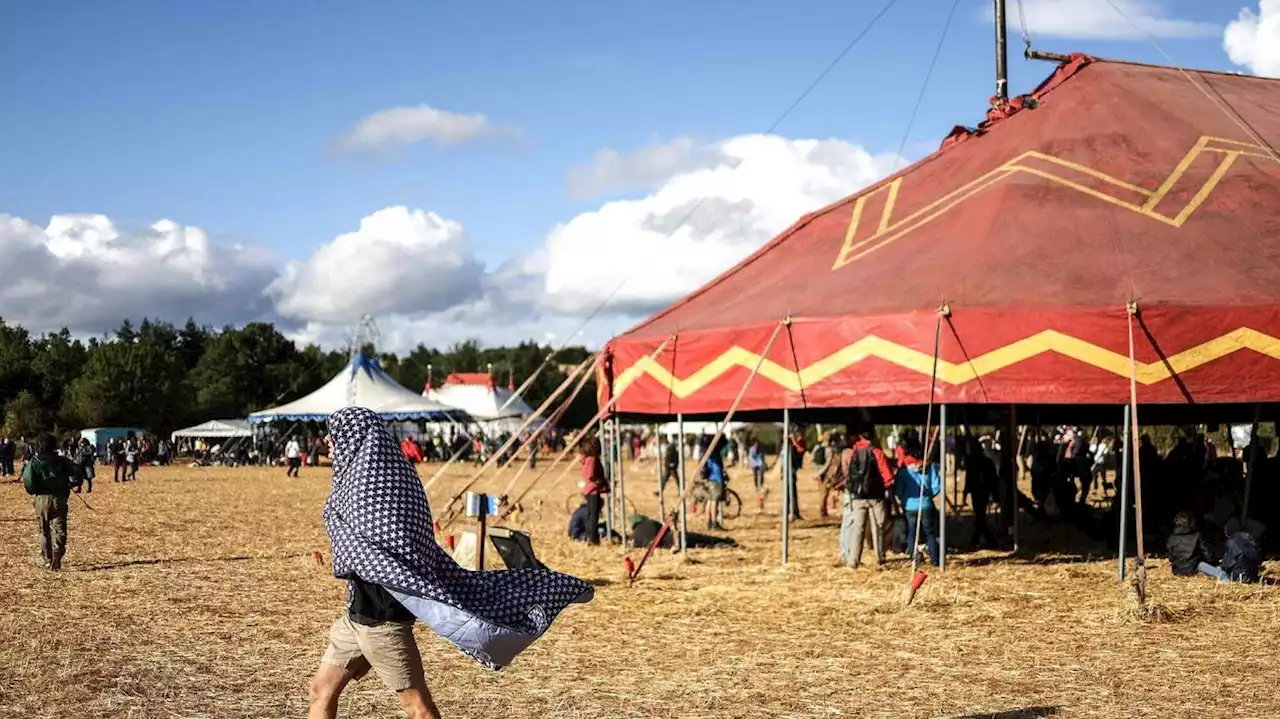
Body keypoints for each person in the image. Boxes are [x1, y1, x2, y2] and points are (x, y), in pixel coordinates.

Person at [310, 406, 592, 719]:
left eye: (334, 435)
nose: (328, 441)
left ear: (354, 437)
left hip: (382, 618)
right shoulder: (370, 474)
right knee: (320, 690)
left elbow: (392, 544)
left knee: (419, 709)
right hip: (358, 614)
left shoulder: (377, 482)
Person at [22, 433, 82, 571]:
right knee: (60, 528)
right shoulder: (61, 460)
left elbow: (29, 482)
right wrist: (74, 483)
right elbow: (77, 470)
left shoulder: (35, 461)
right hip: (59, 498)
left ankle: (48, 559)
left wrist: (35, 492)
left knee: (43, 530)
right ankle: (57, 555)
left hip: (41, 499)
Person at [839, 424, 894, 568]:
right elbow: (887, 475)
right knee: (878, 527)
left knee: (858, 528)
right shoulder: (877, 452)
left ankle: (853, 560)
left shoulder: (854, 452)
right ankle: (879, 558)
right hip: (876, 496)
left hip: (858, 496)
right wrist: (888, 488)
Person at [895, 438, 943, 567]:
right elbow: (937, 485)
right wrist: (929, 495)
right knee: (930, 533)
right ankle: (935, 560)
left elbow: (898, 489)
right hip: (926, 504)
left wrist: (904, 499)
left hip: (910, 506)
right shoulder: (929, 467)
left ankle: (914, 559)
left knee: (911, 532)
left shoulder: (904, 470)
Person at [579, 436, 608, 545]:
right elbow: (591, 474)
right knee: (594, 515)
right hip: (593, 490)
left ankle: (591, 536)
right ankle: (592, 538)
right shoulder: (592, 459)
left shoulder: (586, 459)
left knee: (592, 514)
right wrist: (599, 481)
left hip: (588, 489)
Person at [1166, 511, 1205, 577]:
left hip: (1177, 570)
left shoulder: (1171, 537)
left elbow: (1170, 556)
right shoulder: (1197, 535)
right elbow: (1207, 554)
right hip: (1193, 569)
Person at [704, 437, 728, 531]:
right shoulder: (715, 454)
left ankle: (708, 521)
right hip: (716, 479)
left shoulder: (708, 453)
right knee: (715, 501)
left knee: (710, 501)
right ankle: (714, 522)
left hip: (710, 479)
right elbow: (717, 468)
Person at [810, 433, 834, 519]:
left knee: (821, 493)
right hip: (825, 474)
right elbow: (828, 463)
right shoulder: (829, 449)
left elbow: (811, 458)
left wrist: (816, 472)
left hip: (817, 473)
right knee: (824, 493)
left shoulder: (817, 447)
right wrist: (821, 472)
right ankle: (822, 512)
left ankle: (823, 511)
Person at [786, 430, 806, 521]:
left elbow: (800, 449)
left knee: (792, 494)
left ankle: (794, 512)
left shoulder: (799, 445)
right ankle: (789, 512)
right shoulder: (791, 447)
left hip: (792, 470)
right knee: (789, 494)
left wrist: (793, 441)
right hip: (789, 471)